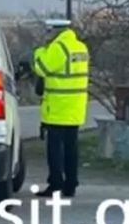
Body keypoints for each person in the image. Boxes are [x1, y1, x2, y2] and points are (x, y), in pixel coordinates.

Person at [32, 18, 90, 197]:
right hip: (75, 105)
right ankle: (71, 184)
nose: (46, 35)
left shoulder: (58, 48)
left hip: (58, 106)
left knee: (55, 148)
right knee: (71, 148)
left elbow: (42, 67)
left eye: (48, 31)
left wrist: (39, 50)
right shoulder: (80, 47)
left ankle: (56, 183)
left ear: (55, 31)